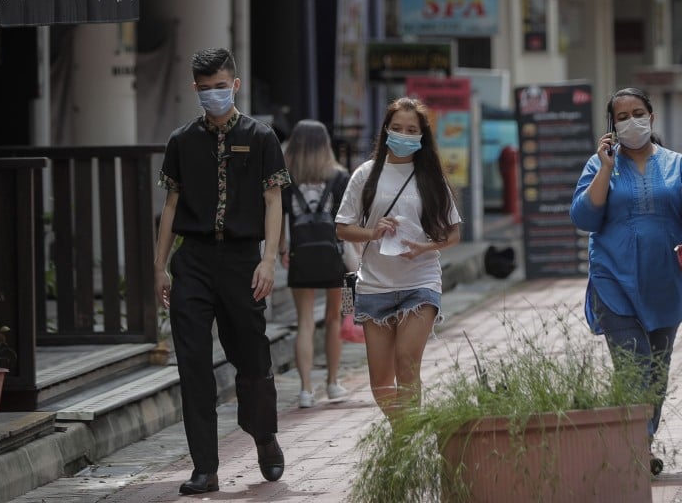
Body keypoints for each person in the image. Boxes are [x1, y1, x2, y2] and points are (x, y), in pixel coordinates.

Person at [153, 48, 290, 495]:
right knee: (193, 364)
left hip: (241, 260)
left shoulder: (261, 136)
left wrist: (269, 259)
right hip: (191, 261)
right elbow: (170, 206)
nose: (213, 94)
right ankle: (205, 468)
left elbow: (274, 201)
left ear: (235, 85)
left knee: (252, 358)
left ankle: (264, 435)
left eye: (220, 86)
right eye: (204, 87)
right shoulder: (181, 141)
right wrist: (159, 267)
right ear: (195, 88)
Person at [569, 87, 682, 452]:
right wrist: (605, 168)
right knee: (634, 368)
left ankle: (640, 442)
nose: (630, 121)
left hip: (665, 281)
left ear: (650, 117)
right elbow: (584, 217)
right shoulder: (598, 166)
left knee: (656, 370)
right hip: (613, 281)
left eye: (637, 113)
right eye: (621, 117)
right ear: (611, 124)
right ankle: (638, 449)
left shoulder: (678, 165)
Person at [335, 97, 462, 420]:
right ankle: (405, 434)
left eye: (411, 130)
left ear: (421, 136)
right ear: (386, 130)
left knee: (406, 361)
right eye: (397, 128)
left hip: (420, 281)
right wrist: (372, 233)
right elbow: (342, 228)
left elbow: (452, 234)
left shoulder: (432, 178)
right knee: (380, 384)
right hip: (374, 286)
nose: (403, 135)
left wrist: (424, 248)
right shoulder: (365, 175)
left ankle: (407, 443)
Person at [278, 119, 351, 408]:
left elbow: (278, 217)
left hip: (301, 254)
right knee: (334, 319)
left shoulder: (286, 179)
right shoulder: (339, 177)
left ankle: (306, 390)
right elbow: (347, 219)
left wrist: (281, 247)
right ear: (325, 145)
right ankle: (333, 384)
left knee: (305, 322)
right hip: (333, 254)